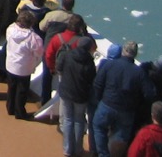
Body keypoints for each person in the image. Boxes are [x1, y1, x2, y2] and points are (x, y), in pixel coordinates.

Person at [92, 40, 156, 156]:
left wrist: (100, 99)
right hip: (127, 111)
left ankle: (103, 154)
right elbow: (149, 94)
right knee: (121, 138)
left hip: (107, 104)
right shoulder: (139, 72)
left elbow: (98, 84)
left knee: (98, 126)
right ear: (135, 54)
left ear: (123, 51)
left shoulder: (109, 65)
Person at [55, 29, 97, 157]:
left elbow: (59, 68)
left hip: (66, 92)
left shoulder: (68, 55)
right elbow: (92, 79)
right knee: (79, 121)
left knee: (67, 120)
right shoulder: (89, 62)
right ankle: (78, 149)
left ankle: (67, 149)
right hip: (81, 95)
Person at [3, 9, 43, 120]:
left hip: (11, 64)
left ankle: (10, 108)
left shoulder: (10, 30)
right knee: (22, 91)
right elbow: (39, 52)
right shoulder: (34, 38)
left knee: (11, 87)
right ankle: (19, 112)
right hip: (24, 68)